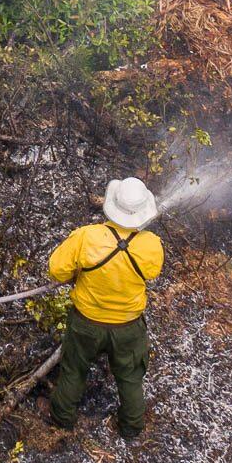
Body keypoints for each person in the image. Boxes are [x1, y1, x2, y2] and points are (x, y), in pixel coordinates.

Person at [45, 177, 164, 440]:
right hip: (128, 328)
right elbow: (152, 273)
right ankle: (131, 428)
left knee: (74, 369)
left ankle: (62, 420)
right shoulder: (151, 244)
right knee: (130, 377)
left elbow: (56, 269)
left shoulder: (86, 236)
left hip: (86, 322)